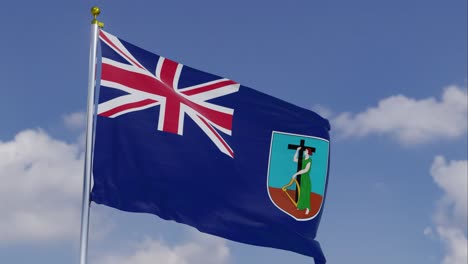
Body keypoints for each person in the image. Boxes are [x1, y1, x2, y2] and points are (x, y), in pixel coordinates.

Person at [292, 147, 312, 215]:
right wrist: (297, 150)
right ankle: (300, 206)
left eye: (305, 151)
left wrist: (296, 173)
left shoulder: (309, 160)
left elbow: (306, 170)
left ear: (308, 152)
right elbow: (294, 159)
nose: (304, 151)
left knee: (306, 192)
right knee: (301, 192)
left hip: (306, 178)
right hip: (301, 177)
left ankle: (307, 208)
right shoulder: (303, 159)